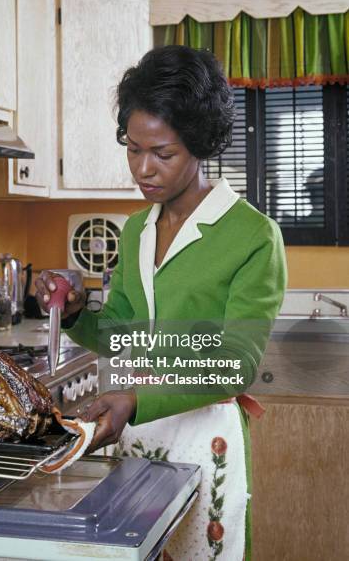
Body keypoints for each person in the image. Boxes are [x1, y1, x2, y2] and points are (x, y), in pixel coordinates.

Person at [35, 46, 287, 561]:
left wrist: (134, 400)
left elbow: (235, 364)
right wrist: (81, 311)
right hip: (140, 438)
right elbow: (122, 332)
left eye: (162, 154)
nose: (143, 169)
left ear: (199, 144)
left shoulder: (253, 237)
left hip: (204, 443)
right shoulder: (135, 231)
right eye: (133, 149)